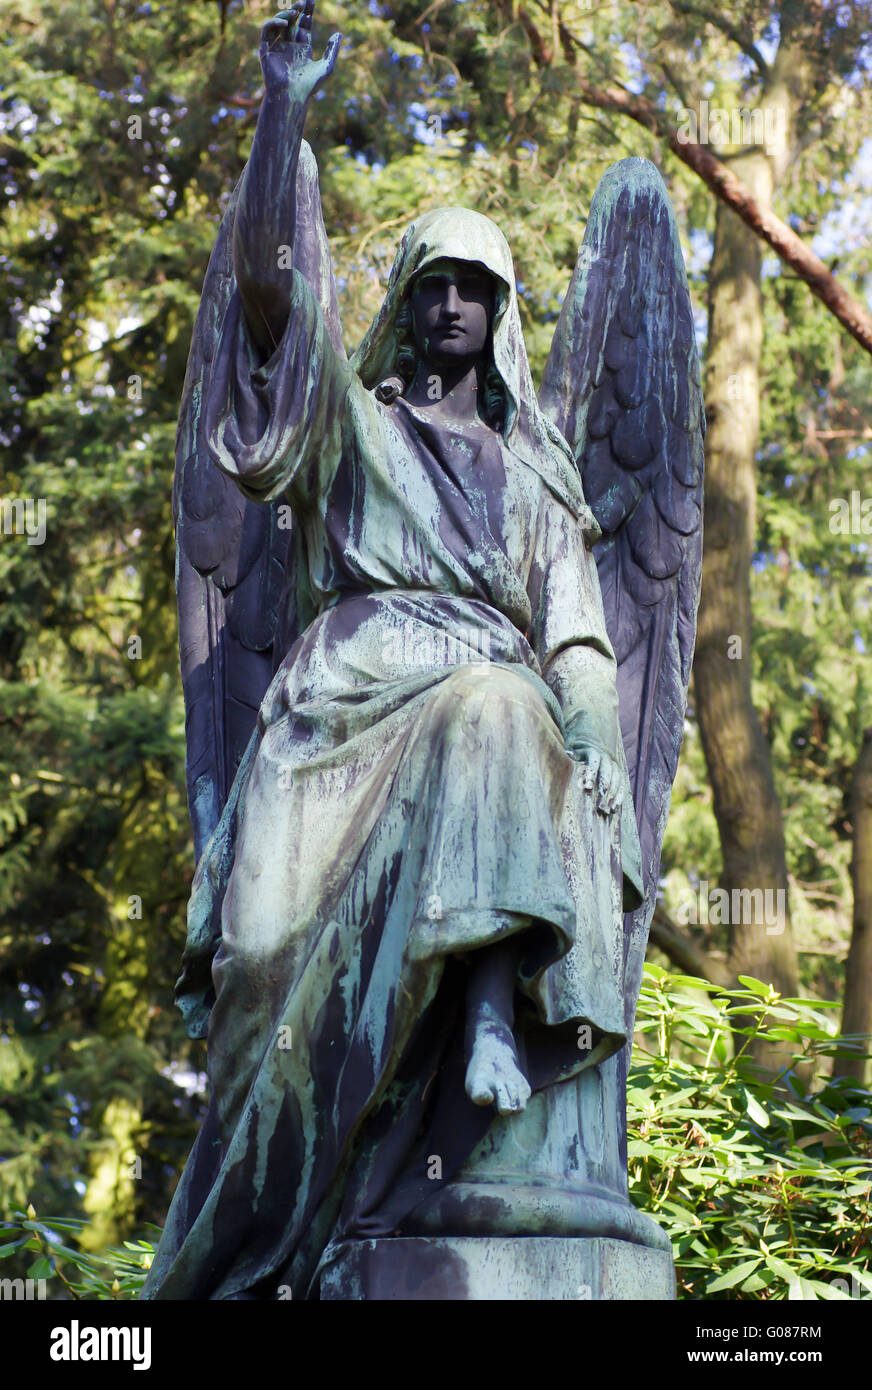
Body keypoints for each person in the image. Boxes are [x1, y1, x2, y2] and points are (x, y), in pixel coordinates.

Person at [142, 2, 642, 1301]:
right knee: (262, 964)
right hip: (338, 714)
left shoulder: (540, 491)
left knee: (499, 700)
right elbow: (267, 301)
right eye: (436, 282)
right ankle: (243, 1250)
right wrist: (286, 106)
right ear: (410, 305)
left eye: (481, 286)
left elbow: (580, 642)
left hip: (482, 712)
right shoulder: (353, 432)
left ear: (505, 311)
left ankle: (483, 996)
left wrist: (594, 758)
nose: (458, 304)